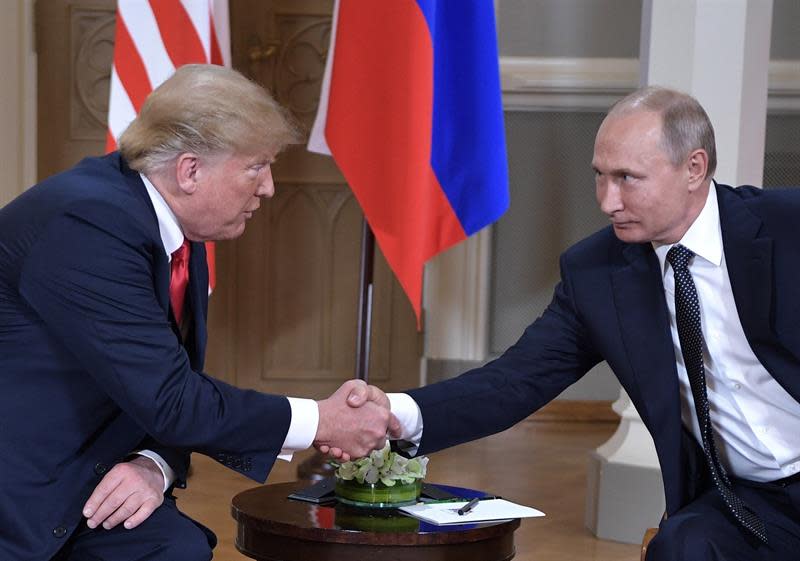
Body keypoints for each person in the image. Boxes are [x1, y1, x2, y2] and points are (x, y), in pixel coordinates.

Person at [337, 86, 800, 561]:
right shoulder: (597, 273)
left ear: (694, 168)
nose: (607, 201)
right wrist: (396, 412)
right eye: (600, 176)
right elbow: (515, 380)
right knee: (682, 548)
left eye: (626, 178)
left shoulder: (787, 227)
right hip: (746, 502)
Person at [0, 64, 395, 561]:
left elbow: (158, 385)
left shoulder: (173, 231)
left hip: (87, 478)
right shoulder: (86, 225)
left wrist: (154, 464)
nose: (269, 187)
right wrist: (319, 421)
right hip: (17, 494)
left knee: (177, 549)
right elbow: (172, 398)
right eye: (256, 166)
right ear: (189, 170)